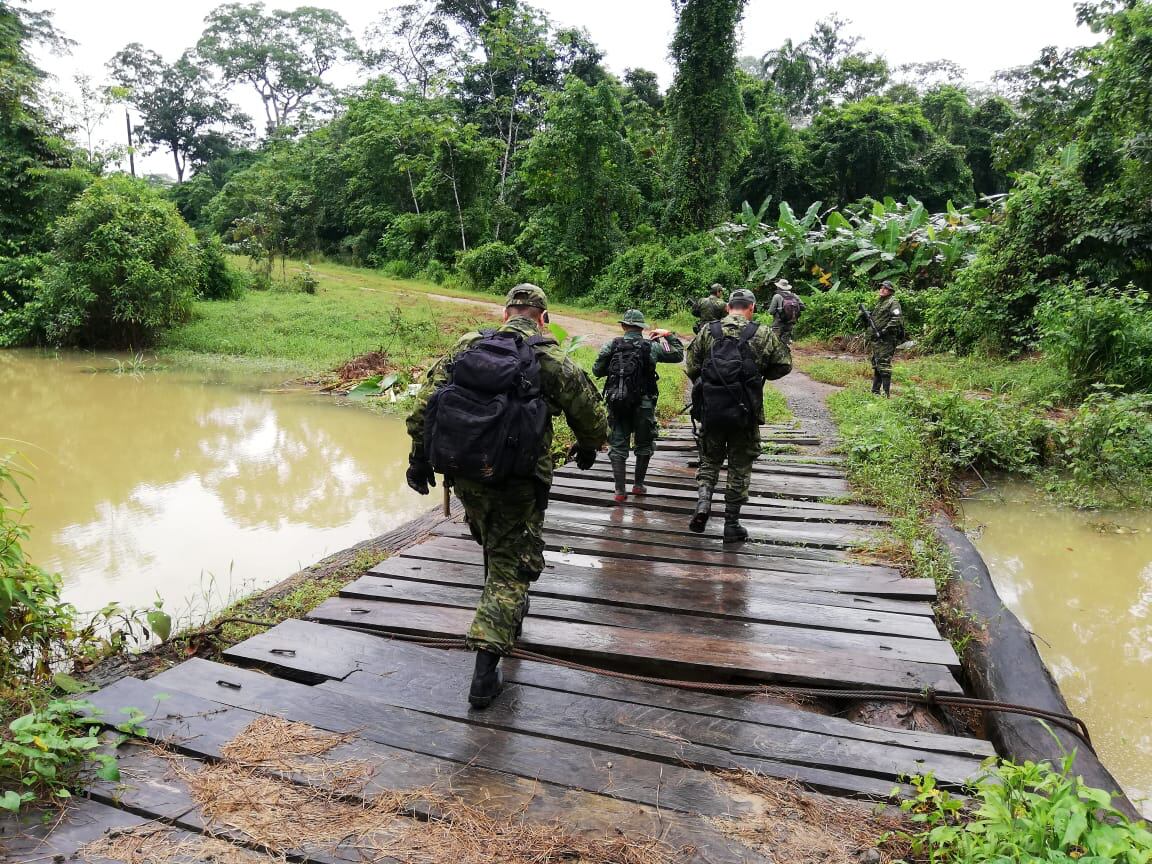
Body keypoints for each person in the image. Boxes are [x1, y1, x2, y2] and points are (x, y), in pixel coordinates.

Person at [405, 284, 607, 709]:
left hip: (467, 474)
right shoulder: (550, 358)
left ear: (505, 315)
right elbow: (592, 416)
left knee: (495, 547)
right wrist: (588, 447)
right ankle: (484, 672)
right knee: (510, 568)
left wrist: (418, 461)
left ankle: (506, 617)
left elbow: (424, 407)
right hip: (517, 480)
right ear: (543, 319)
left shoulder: (467, 346)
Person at [687, 289, 792, 542]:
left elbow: (692, 366)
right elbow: (784, 365)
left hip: (712, 410)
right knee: (740, 466)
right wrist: (758, 373)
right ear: (751, 308)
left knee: (709, 460)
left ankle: (703, 503)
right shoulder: (762, 333)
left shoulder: (708, 330)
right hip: (745, 412)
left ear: (728, 307)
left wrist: (712, 386)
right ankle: (731, 524)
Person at [591, 309, 684, 503]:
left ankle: (619, 491)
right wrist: (668, 335)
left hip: (618, 401)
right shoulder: (651, 347)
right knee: (644, 443)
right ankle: (638, 485)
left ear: (623, 326)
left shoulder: (612, 345)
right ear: (642, 328)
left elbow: (597, 370)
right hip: (644, 403)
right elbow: (678, 355)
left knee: (618, 444)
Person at [858, 280, 904, 397]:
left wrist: (884, 331)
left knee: (884, 364)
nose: (882, 289)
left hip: (887, 339)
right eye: (881, 287)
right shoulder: (879, 303)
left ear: (890, 291)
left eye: (885, 288)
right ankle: (875, 391)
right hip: (877, 339)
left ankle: (886, 393)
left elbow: (896, 319)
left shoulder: (893, 302)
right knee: (877, 363)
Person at [765, 278, 805, 346]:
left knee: (775, 344)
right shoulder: (794, 295)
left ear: (778, 287)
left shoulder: (777, 296)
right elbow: (803, 307)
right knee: (785, 344)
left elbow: (771, 311)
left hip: (778, 324)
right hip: (790, 323)